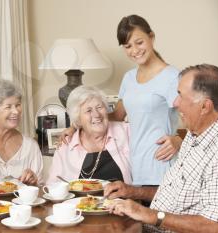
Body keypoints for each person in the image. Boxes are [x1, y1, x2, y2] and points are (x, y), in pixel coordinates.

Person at [105, 64, 218, 233]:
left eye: (180, 96)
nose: (175, 103)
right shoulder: (194, 134)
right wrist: (132, 192)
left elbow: (216, 226)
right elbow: (174, 193)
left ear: (205, 107)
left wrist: (148, 214)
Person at [61, 15, 182, 186]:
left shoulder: (172, 76)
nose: (135, 50)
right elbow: (117, 114)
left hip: (161, 164)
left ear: (152, 37)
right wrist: (75, 125)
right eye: (128, 46)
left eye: (139, 42)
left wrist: (179, 141)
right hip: (135, 167)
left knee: (159, 213)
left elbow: (195, 116)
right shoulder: (129, 78)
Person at [46, 86, 132, 184]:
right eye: (88, 110)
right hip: (78, 200)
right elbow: (52, 186)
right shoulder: (66, 145)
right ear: (78, 119)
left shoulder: (125, 131)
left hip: (121, 199)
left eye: (99, 107)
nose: (97, 114)